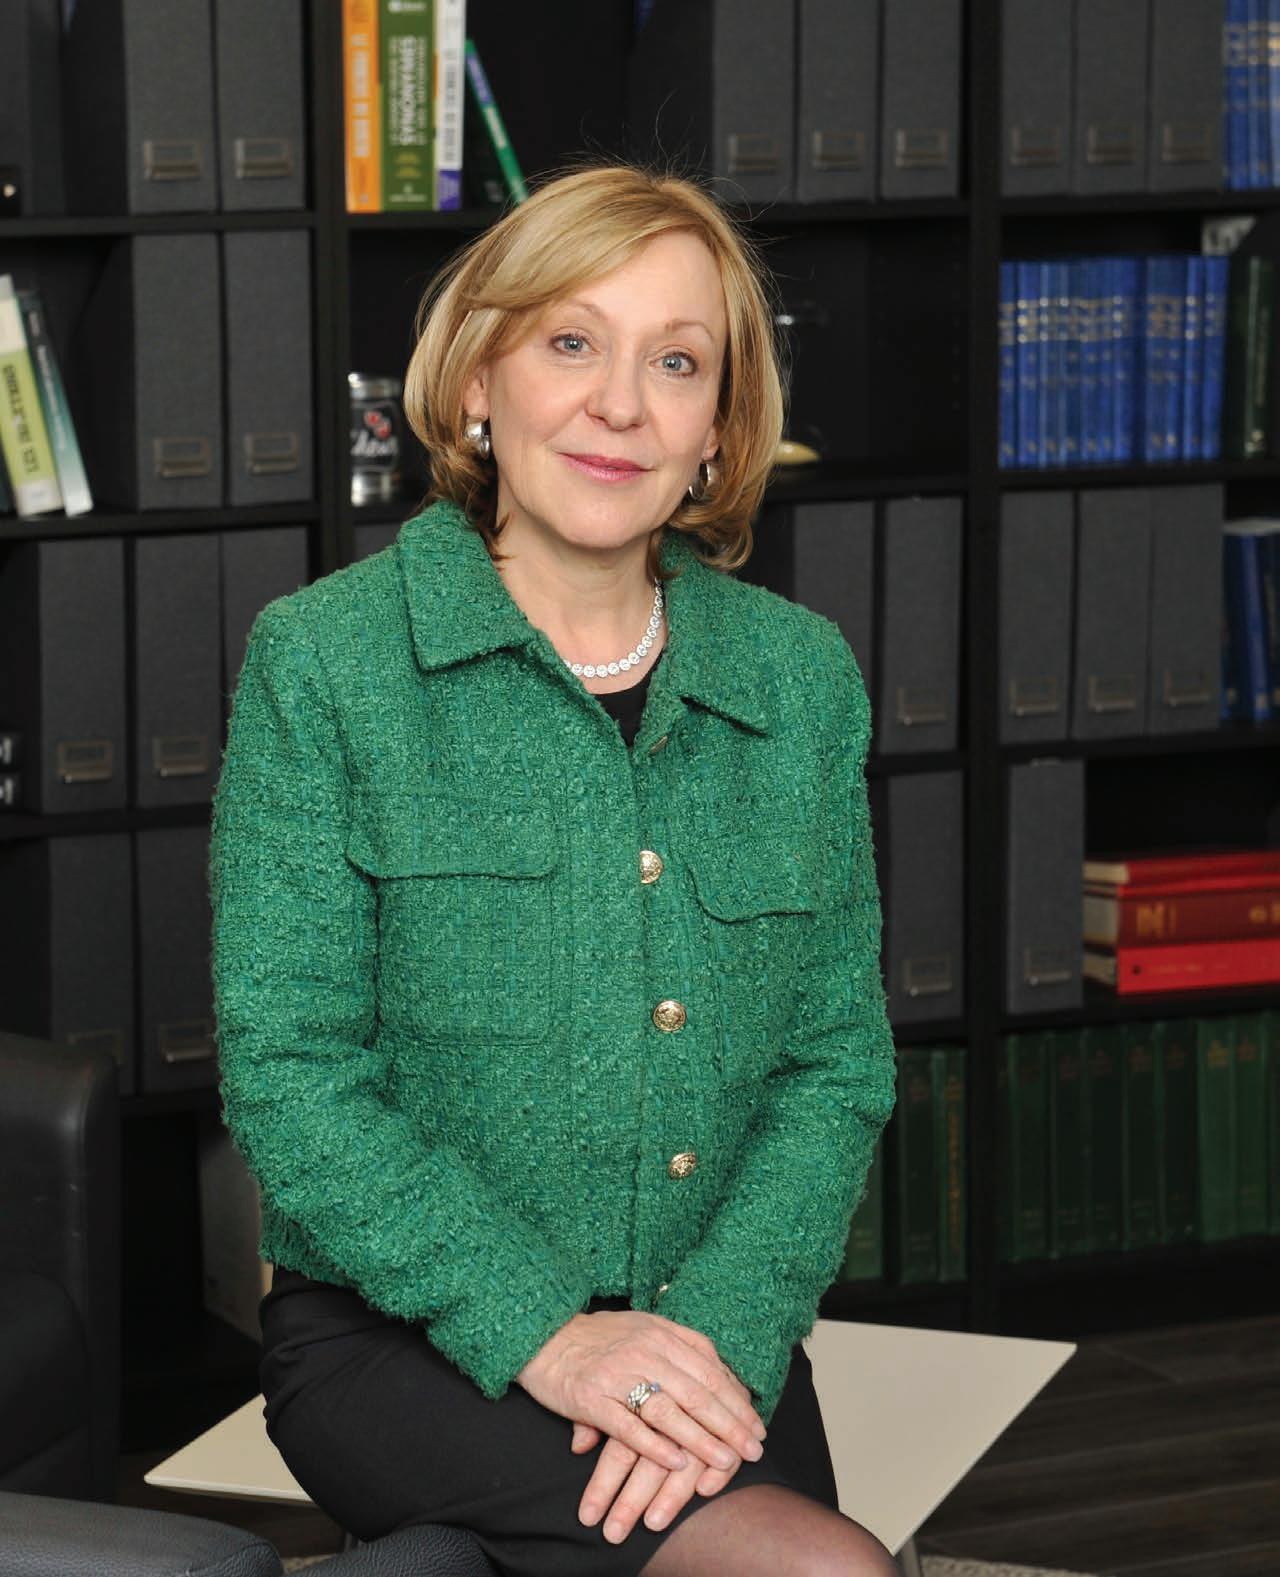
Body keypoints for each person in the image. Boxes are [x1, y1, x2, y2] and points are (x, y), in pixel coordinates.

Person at [208, 158, 900, 1577]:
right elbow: (291, 1075)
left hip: (708, 1328)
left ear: (718, 428)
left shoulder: (801, 680)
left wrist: (716, 1328)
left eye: (677, 362)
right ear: (479, 380)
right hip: (400, 1336)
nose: (621, 404)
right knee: (823, 1568)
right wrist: (552, 1336)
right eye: (572, 342)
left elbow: (835, 1065)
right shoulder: (326, 663)